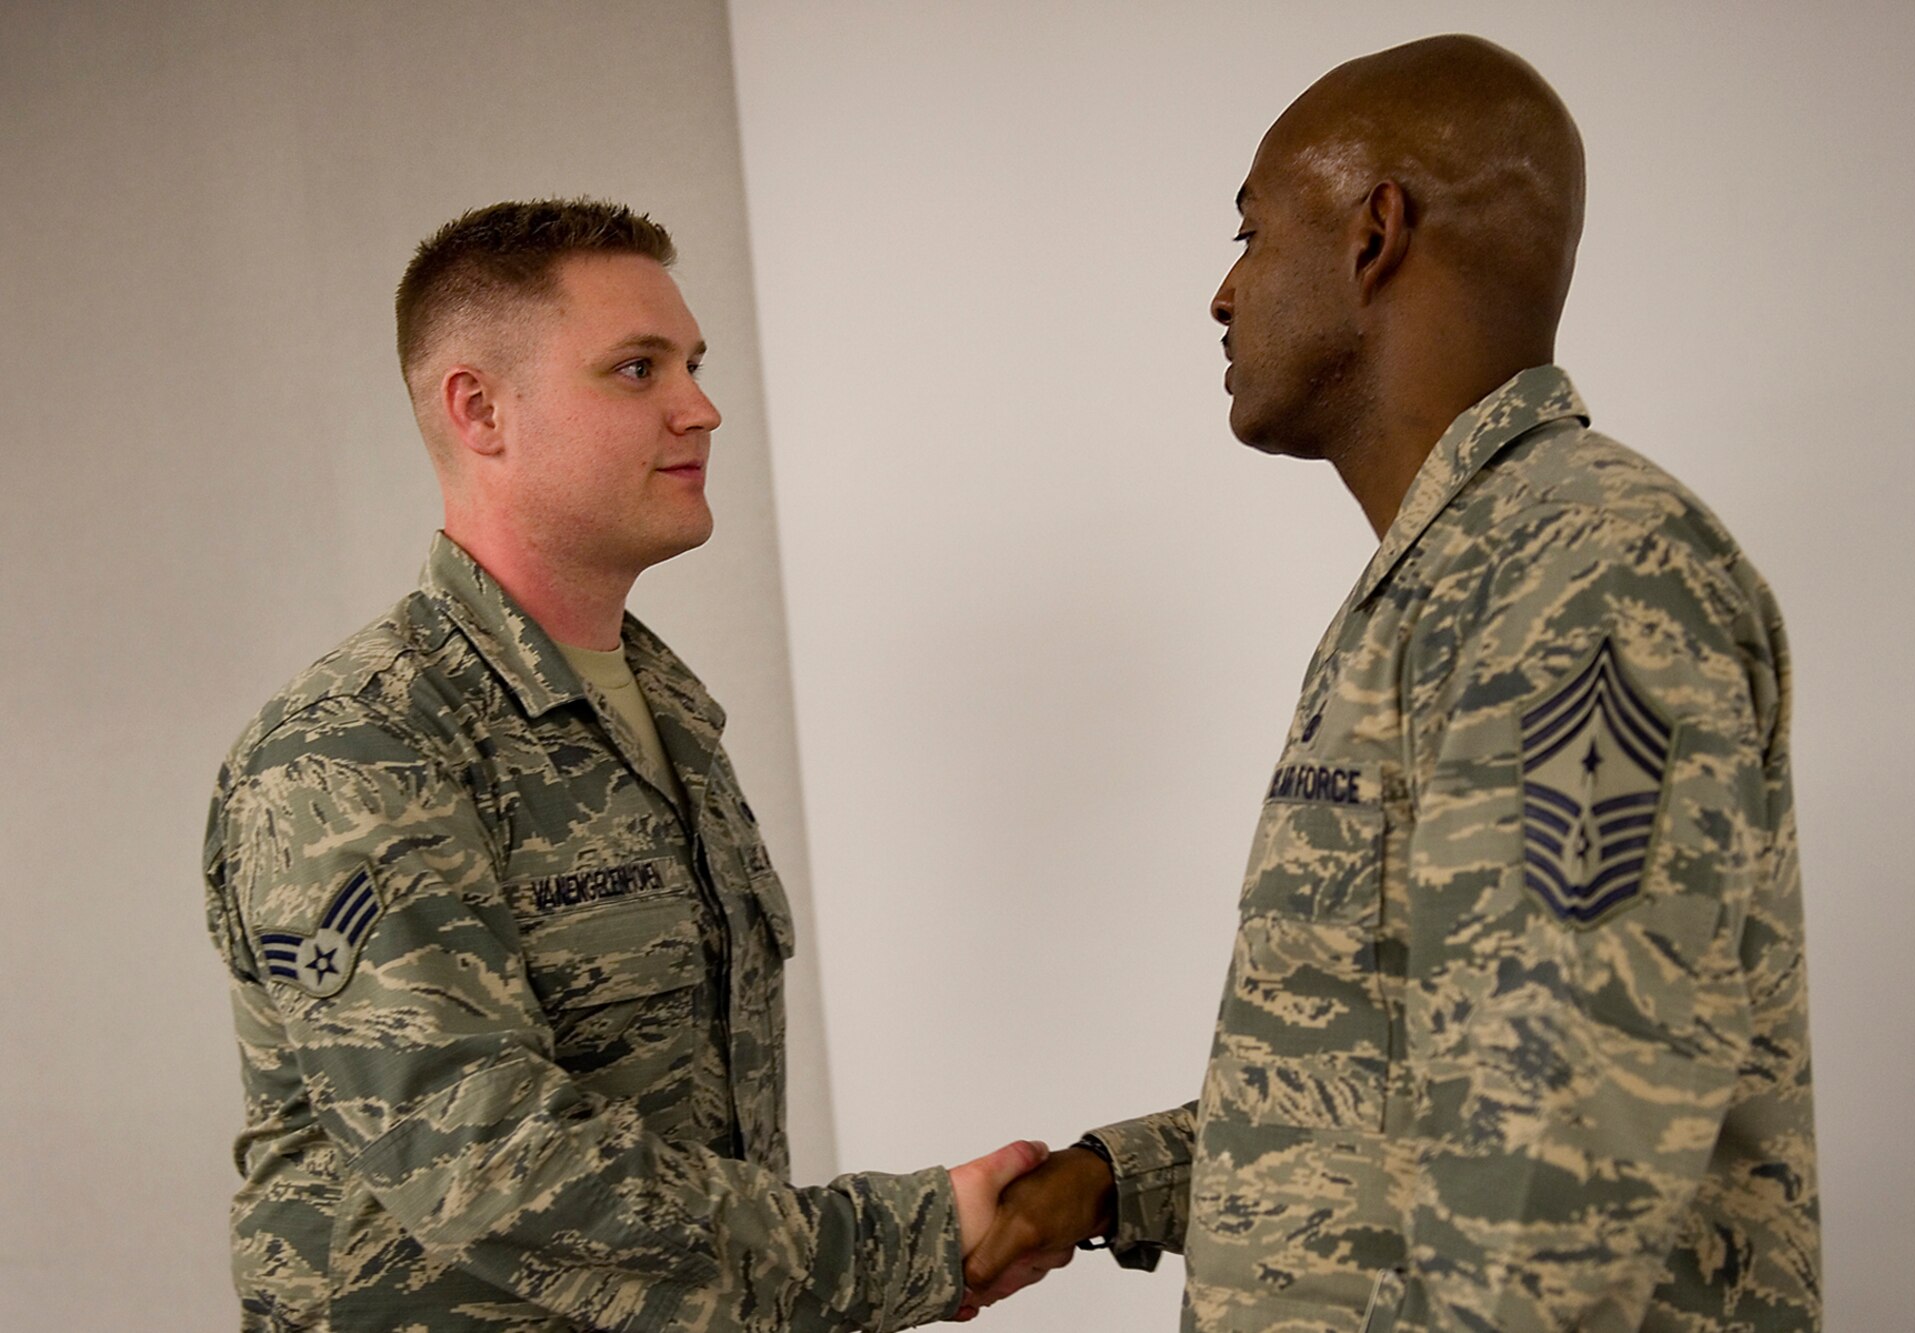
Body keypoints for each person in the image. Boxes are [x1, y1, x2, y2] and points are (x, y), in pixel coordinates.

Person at [960, 35, 1821, 1331]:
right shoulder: (1458, 577)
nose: (1222, 291)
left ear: (1373, 236)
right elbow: (1398, 1084)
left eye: (1250, 234)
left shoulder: (1586, 570)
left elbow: (1549, 1189)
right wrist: (1108, 1182)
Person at [203, 199, 1043, 1332]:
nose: (700, 408)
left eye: (691, 364)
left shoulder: (667, 713)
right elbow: (486, 1165)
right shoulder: (357, 745)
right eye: (636, 369)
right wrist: (905, 1241)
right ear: (480, 408)